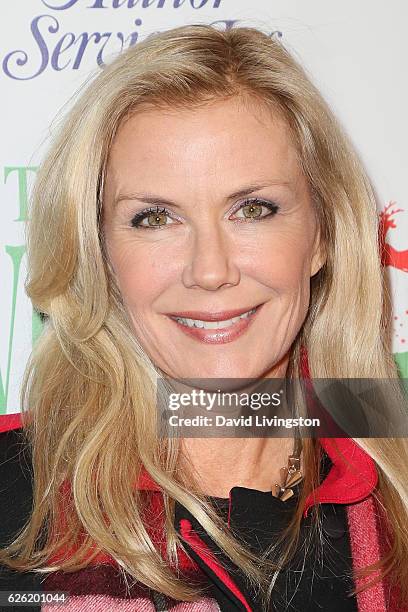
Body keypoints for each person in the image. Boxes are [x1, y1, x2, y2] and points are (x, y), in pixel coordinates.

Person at [0, 23, 407, 612]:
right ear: (98, 250)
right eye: (155, 218)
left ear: (323, 235)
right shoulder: (14, 493)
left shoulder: (391, 472)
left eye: (253, 209)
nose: (210, 270)